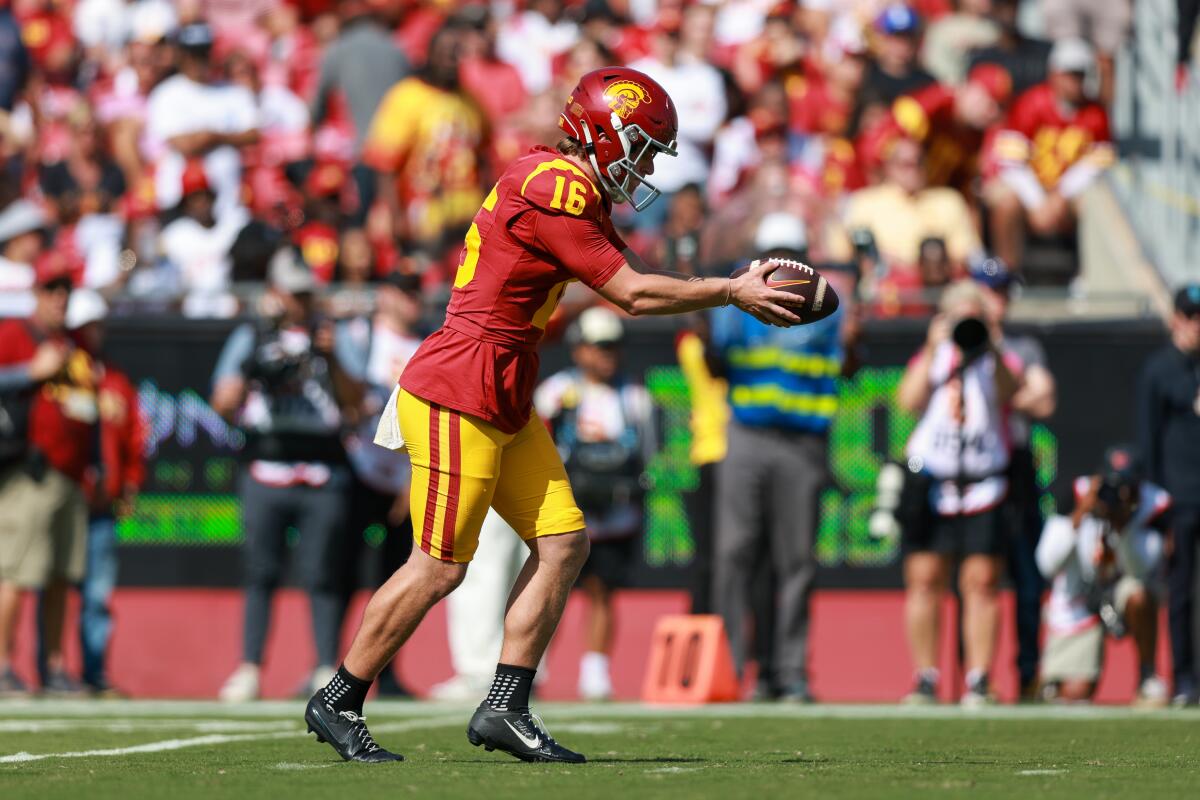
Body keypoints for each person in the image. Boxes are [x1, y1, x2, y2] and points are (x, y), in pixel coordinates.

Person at [304, 65, 805, 765]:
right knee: (441, 565)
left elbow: (620, 280)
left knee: (564, 541)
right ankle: (340, 698)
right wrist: (728, 289)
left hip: (504, 384)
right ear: (607, 133)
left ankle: (505, 706)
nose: (649, 163)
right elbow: (629, 293)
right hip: (463, 382)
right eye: (646, 146)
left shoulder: (572, 189)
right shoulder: (557, 184)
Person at [709, 212, 855, 702]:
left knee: (796, 561)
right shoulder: (737, 299)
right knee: (734, 554)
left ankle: (790, 671)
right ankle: (731, 670)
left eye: (790, 256)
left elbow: (849, 363)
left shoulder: (831, 306)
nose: (781, 267)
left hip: (803, 443)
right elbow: (714, 358)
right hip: (747, 434)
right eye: (772, 257)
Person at [209, 249, 366, 702]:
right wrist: (252, 365)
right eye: (291, 294)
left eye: (304, 293)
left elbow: (356, 403)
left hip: (322, 468)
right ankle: (250, 667)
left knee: (322, 574)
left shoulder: (331, 336)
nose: (298, 302)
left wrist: (331, 359)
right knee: (261, 572)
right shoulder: (252, 335)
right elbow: (222, 402)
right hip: (266, 466)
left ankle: (323, 667)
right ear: (274, 294)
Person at [896, 280, 1023, 706]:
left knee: (981, 581)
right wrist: (934, 346)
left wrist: (993, 344)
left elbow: (1011, 392)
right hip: (935, 482)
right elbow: (907, 400)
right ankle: (926, 676)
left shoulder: (995, 359)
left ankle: (979, 677)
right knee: (924, 578)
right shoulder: (936, 357)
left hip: (983, 484)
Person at [535, 307, 656, 700]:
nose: (608, 354)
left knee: (603, 590)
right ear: (579, 349)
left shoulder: (636, 397)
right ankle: (532, 668)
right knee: (549, 588)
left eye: (614, 346)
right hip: (564, 513)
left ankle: (595, 670)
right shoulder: (554, 393)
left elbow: (647, 456)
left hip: (615, 515)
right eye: (600, 346)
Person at [0, 260, 88, 696]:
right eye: (52, 289)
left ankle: (52, 667)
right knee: (15, 572)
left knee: (59, 576)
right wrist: (29, 372)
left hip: (69, 478)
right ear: (36, 293)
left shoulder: (70, 343)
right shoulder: (15, 334)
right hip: (28, 475)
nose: (60, 298)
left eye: (66, 290)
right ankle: (1, 667)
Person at [972, 260, 1057, 700]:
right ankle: (975, 675)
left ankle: (1028, 672)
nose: (999, 299)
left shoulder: (1023, 345)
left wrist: (1008, 389)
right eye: (991, 290)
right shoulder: (960, 340)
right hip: (973, 464)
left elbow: (1042, 399)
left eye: (1004, 291)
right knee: (975, 575)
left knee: (1027, 576)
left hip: (1015, 465)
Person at [1036, 447, 1170, 706]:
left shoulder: (1155, 505)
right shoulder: (1078, 494)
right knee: (1073, 694)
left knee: (1139, 596)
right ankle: (1054, 678)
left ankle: (1146, 676)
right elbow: (1047, 563)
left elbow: (1140, 568)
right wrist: (1078, 516)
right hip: (1081, 598)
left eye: (1126, 487)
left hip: (1122, 591)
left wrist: (1123, 526)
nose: (1116, 495)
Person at [64, 289, 145, 696]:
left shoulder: (114, 380)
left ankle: (93, 673)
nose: (92, 334)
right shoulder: (59, 378)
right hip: (66, 495)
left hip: (100, 502)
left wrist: (130, 480)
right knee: (56, 587)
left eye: (96, 326)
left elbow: (134, 435)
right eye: (85, 327)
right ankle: (53, 670)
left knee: (96, 594)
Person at [982, 39, 1112, 272]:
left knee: (1095, 205)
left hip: (1069, 194)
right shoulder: (1030, 103)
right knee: (1005, 203)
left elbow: (1098, 164)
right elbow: (1011, 162)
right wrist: (1038, 202)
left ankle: (1089, 277)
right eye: (1071, 74)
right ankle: (1006, 273)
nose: (1076, 81)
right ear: (1054, 74)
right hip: (1030, 187)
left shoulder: (1096, 114)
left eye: (1081, 74)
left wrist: (1060, 195)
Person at [1138, 284, 1200, 706]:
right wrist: (1158, 510)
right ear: (1177, 318)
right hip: (1180, 498)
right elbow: (1148, 441)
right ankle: (1183, 678)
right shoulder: (1160, 370)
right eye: (1193, 316)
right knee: (1180, 591)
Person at [144, 21, 260, 221]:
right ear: (181, 56)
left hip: (229, 199)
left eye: (204, 53)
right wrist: (224, 137)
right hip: (180, 203)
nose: (199, 61)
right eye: (193, 55)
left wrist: (211, 136)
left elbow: (253, 134)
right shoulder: (166, 94)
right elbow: (183, 145)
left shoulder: (234, 92)